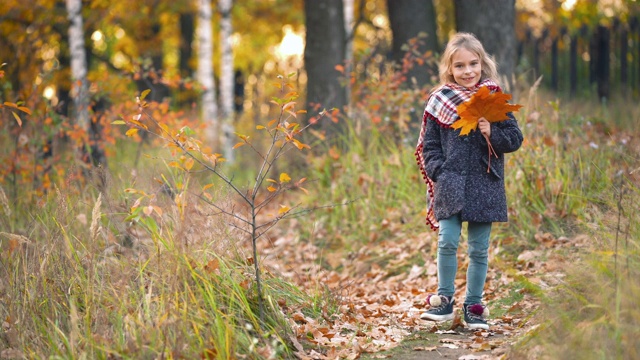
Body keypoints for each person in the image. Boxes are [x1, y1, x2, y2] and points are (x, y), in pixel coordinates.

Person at [414, 32, 523, 330]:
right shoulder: (440, 101)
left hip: (484, 185)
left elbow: (515, 139)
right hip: (450, 183)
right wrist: (439, 170)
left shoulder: (492, 98)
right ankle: (444, 302)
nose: (468, 71)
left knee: (478, 248)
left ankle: (474, 306)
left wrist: (492, 132)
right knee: (447, 240)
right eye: (460, 66)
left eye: (473, 64)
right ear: (450, 69)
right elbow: (429, 145)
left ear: (482, 63)